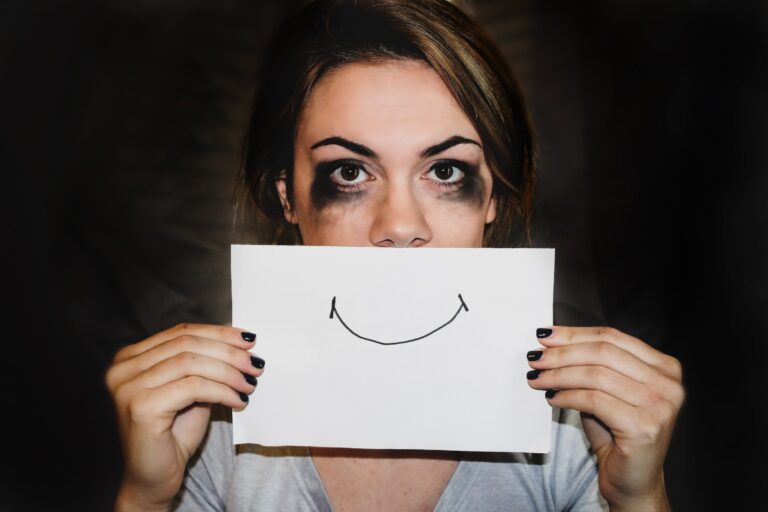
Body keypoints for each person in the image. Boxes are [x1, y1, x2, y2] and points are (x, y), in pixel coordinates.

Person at [106, 1, 685, 510]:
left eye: (445, 171)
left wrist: (638, 499)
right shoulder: (211, 429)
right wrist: (146, 498)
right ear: (288, 197)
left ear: (493, 199)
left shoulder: (576, 428)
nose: (400, 226)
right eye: (350, 172)